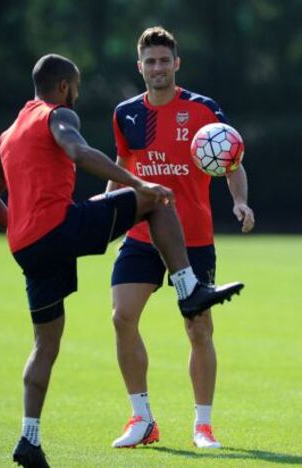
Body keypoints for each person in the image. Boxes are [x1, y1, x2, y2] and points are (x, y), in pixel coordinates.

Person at [0, 54, 243, 467]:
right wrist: (137, 182)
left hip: (27, 247)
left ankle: (29, 438)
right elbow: (78, 151)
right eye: (77, 86)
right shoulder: (57, 115)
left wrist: (23, 233)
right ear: (64, 86)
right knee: (155, 199)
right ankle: (189, 291)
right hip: (59, 226)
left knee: (44, 345)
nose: (77, 94)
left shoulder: (8, 134)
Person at [106, 27, 255, 450]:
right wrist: (105, 215)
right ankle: (142, 418)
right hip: (140, 233)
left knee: (199, 329)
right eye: (149, 62)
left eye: (164, 61)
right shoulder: (125, 114)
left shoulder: (204, 109)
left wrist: (240, 201)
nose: (157, 68)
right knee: (121, 317)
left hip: (193, 238)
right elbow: (121, 166)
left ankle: (203, 426)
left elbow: (232, 159)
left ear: (177, 64)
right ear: (140, 67)